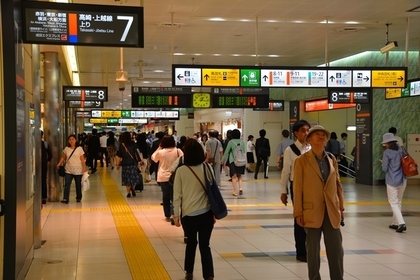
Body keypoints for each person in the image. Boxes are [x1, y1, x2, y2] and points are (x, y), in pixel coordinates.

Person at [293, 125, 345, 280]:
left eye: (324, 135)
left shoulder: (331, 159)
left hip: (331, 211)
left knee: (336, 250)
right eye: (317, 135)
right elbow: (298, 189)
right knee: (313, 252)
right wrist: (298, 212)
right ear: (309, 139)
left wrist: (341, 207)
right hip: (311, 211)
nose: (321, 137)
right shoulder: (301, 161)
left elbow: (337, 185)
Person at [173, 139, 215, 280]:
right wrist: (214, 212)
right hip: (206, 214)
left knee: (191, 243)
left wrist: (175, 215)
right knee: (205, 245)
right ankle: (208, 275)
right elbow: (213, 192)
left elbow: (177, 195)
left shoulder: (181, 171)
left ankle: (189, 272)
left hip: (188, 215)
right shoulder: (207, 168)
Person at [280, 120, 311, 262]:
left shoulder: (312, 148)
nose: (306, 133)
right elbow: (285, 171)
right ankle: (301, 251)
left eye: (307, 130)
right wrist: (283, 191)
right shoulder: (290, 150)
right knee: (299, 218)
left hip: (312, 187)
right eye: (303, 131)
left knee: (312, 218)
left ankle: (311, 249)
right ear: (296, 133)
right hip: (296, 187)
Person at [151, 135, 184, 223]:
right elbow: (183, 159)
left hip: (163, 177)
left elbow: (153, 158)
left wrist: (159, 147)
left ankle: (167, 214)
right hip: (175, 176)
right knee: (174, 196)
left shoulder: (161, 152)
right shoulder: (178, 151)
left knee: (165, 196)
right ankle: (174, 213)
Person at [381, 132, 407, 232]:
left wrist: (383, 163)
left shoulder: (387, 152)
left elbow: (384, 168)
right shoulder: (401, 150)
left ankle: (401, 223)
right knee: (398, 201)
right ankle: (395, 223)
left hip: (392, 180)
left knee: (393, 203)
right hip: (403, 180)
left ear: (387, 143)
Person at [57, 135, 87, 204]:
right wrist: (59, 163)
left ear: (75, 140)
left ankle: (78, 197)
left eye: (73, 139)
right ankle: (65, 198)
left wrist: (84, 168)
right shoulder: (66, 149)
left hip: (78, 170)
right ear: (68, 141)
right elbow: (63, 157)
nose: (71, 141)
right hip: (68, 169)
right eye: (70, 139)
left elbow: (82, 160)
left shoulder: (79, 149)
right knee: (67, 184)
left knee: (78, 184)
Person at [116, 132, 142, 198]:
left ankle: (128, 192)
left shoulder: (122, 145)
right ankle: (133, 188)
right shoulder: (133, 143)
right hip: (133, 163)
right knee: (133, 178)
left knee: (127, 178)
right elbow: (136, 153)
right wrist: (139, 161)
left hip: (125, 164)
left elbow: (119, 156)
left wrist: (118, 164)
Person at [221, 129, 246, 196]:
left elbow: (226, 152)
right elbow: (244, 151)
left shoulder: (231, 142)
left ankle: (235, 191)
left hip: (233, 161)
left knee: (233, 176)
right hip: (241, 160)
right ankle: (240, 188)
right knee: (239, 175)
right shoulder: (242, 142)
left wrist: (222, 160)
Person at [41, 130, 52, 204]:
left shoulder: (45, 144)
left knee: (42, 180)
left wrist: (48, 161)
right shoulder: (45, 144)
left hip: (42, 164)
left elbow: (50, 154)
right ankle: (43, 197)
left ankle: (43, 197)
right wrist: (48, 160)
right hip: (43, 164)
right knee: (43, 180)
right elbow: (50, 155)